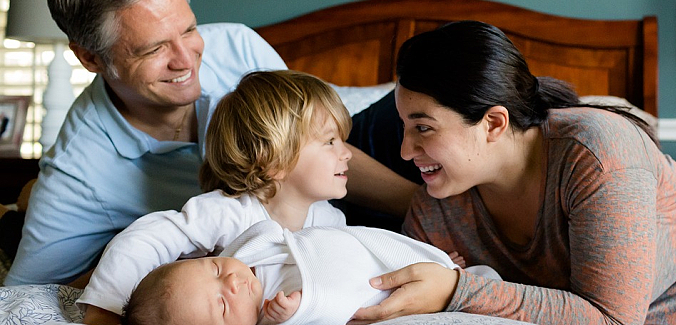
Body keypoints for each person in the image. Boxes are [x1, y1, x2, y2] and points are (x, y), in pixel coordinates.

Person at [4, 0, 418, 287]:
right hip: (275, 223)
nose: (187, 59)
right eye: (154, 48)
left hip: (329, 165)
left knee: (429, 93)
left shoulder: (236, 44)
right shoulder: (78, 171)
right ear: (91, 59)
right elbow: (27, 296)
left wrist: (429, 207)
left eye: (188, 29)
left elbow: (311, 147)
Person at [351, 20, 676, 324]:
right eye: (404, 127)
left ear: (493, 123)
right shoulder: (434, 210)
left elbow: (614, 319)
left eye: (423, 128)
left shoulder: (597, 154)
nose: (405, 151)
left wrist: (456, 289)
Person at [77, 69, 345, 324]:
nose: (347, 153)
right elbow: (142, 241)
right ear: (274, 160)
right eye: (330, 141)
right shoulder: (228, 213)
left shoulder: (331, 221)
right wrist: (104, 311)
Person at [120, 220, 499, 325]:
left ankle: (464, 278)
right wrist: (299, 310)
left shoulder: (254, 258)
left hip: (368, 258)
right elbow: (331, 310)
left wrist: (238, 254)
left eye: (216, 267)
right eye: (221, 306)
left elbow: (273, 234)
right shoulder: (270, 314)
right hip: (367, 292)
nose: (234, 282)